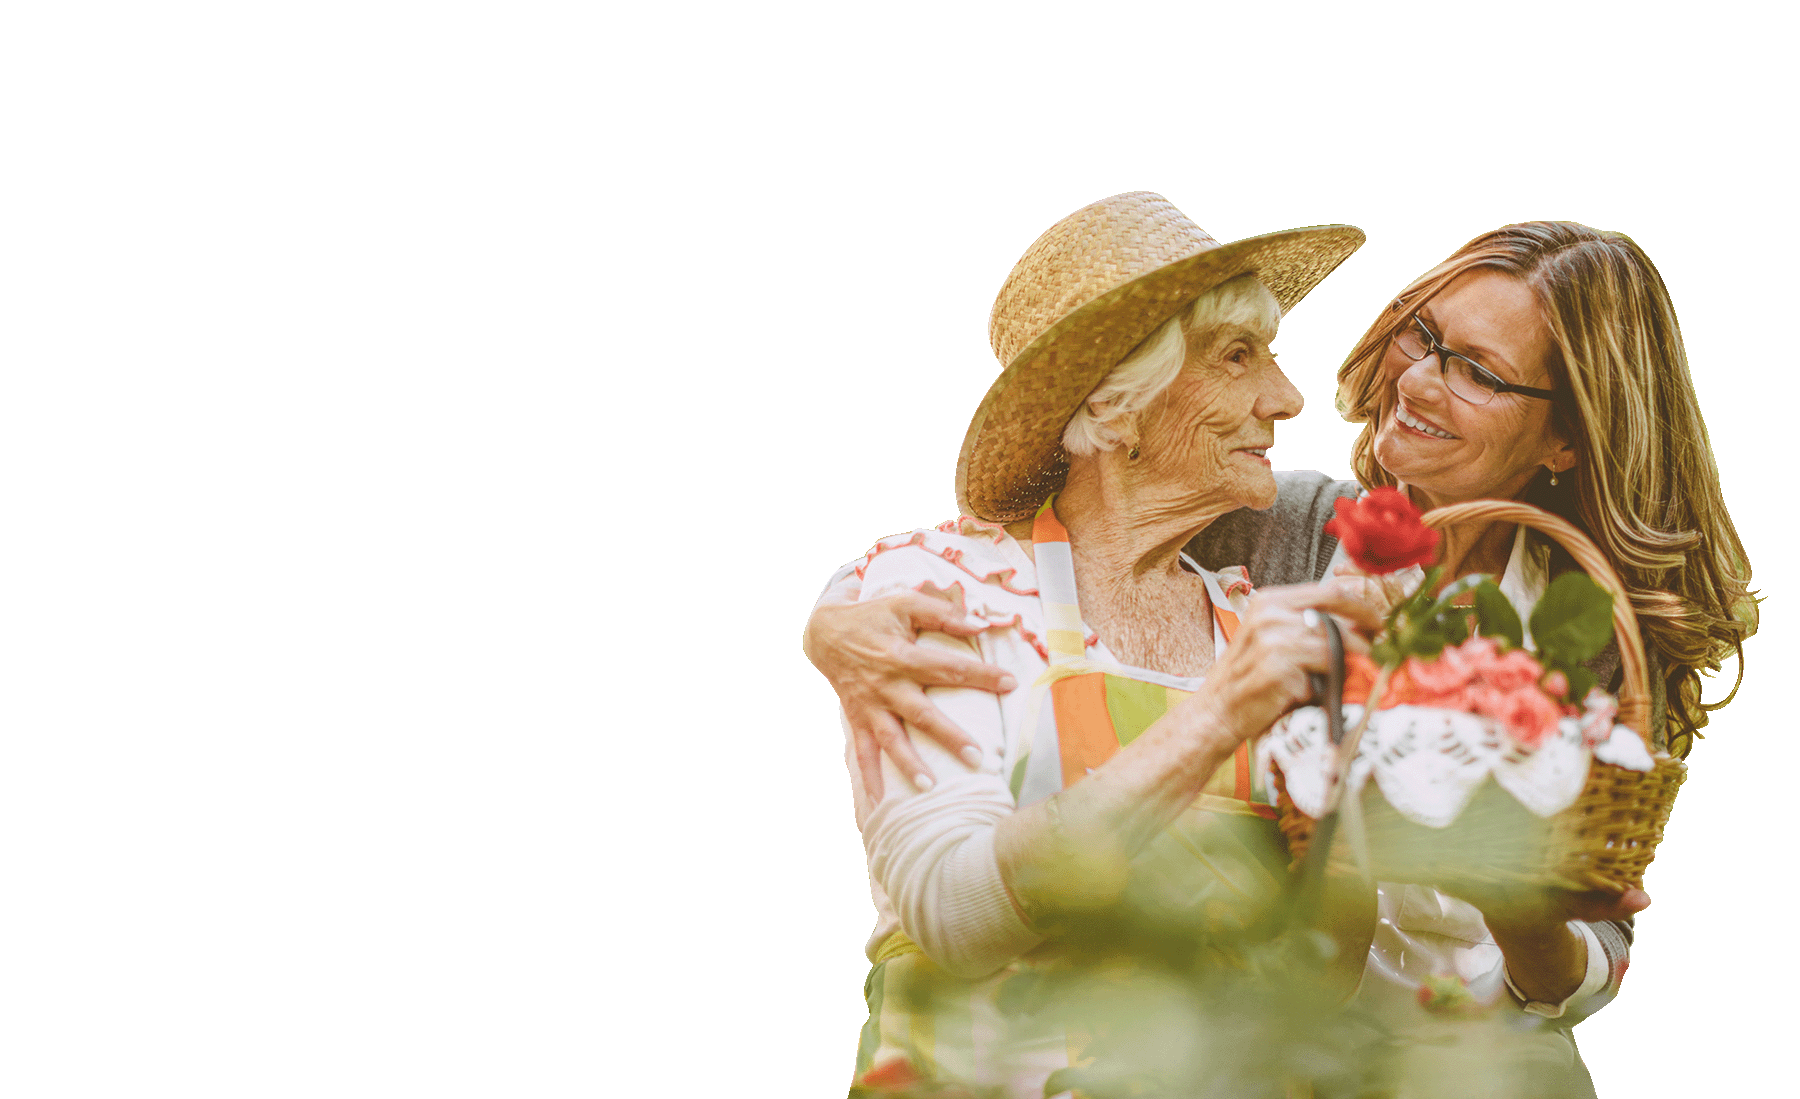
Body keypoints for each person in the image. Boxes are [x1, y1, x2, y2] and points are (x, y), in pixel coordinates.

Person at [809, 218, 1758, 1096]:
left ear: (1563, 438)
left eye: (1478, 370)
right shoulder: (1278, 533)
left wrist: (1512, 897)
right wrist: (831, 620)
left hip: (1468, 1044)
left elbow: (1589, 957)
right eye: (1422, 335)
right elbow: (1063, 533)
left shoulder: (1602, 627)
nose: (1418, 380)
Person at [827, 191, 1377, 1098]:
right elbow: (954, 913)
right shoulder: (938, 589)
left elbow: (1323, 976)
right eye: (1238, 355)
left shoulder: (1250, 624)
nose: (1285, 397)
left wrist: (1353, 825)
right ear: (1118, 404)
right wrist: (1218, 716)